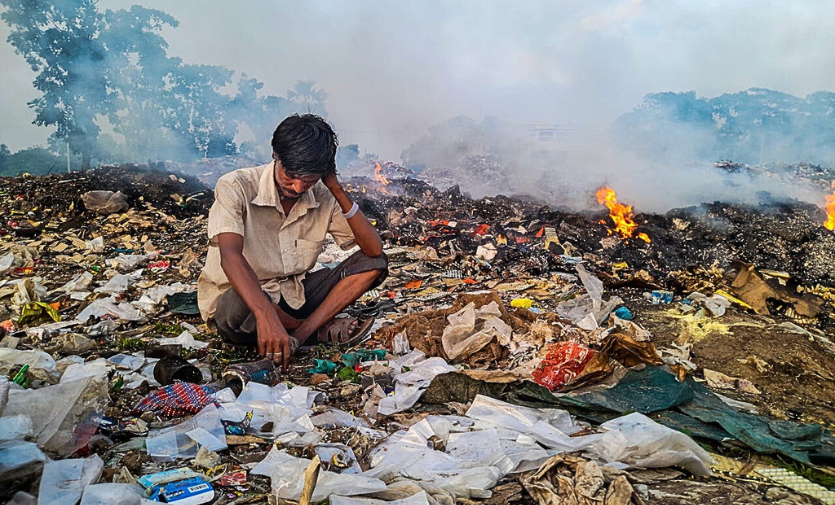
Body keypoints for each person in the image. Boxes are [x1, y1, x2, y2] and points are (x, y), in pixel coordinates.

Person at [197, 114, 388, 371]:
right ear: (276, 154)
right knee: (237, 303)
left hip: (294, 297)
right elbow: (230, 256)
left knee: (374, 262)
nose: (298, 187)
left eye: (308, 180)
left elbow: (373, 250)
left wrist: (335, 188)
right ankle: (306, 328)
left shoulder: (322, 192)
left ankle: (302, 333)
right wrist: (265, 314)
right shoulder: (236, 186)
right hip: (244, 304)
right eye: (291, 176)